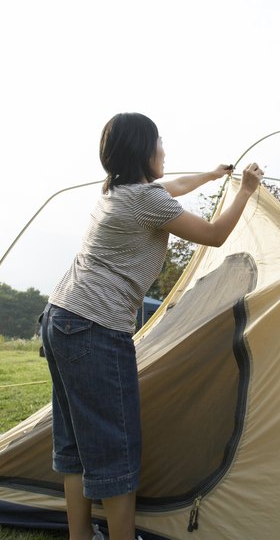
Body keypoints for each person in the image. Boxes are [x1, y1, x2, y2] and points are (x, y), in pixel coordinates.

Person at [39, 112, 264, 540]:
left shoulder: (118, 192)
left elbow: (170, 189)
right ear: (144, 150)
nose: (164, 151)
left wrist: (212, 175)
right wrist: (246, 191)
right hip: (94, 326)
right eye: (159, 143)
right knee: (113, 445)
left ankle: (80, 535)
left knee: (74, 446)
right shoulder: (145, 201)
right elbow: (215, 234)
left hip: (60, 317)